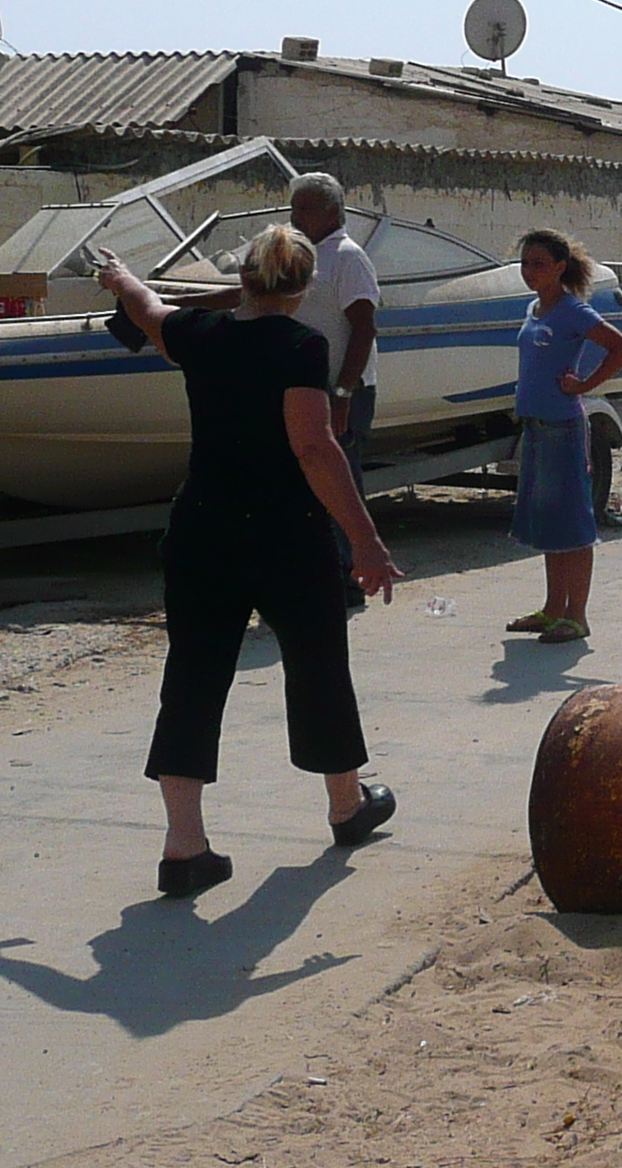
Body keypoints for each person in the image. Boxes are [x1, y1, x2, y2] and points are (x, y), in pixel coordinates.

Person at [96, 227, 404, 900]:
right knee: (317, 661)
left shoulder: (199, 334)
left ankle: (185, 849)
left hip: (202, 527)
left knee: (193, 676)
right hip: (285, 532)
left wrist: (119, 276)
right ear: (302, 286)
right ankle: (347, 805)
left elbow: (145, 305)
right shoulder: (301, 346)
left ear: (246, 279)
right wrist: (368, 542)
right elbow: (315, 449)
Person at [503, 229, 622, 644]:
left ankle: (576, 615)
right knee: (548, 524)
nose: (529, 271)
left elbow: (621, 348)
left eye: (538, 264)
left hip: (563, 428)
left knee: (573, 525)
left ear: (560, 268)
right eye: (525, 264)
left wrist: (584, 385)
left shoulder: (573, 311)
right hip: (537, 428)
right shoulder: (534, 310)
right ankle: (552, 609)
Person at [288, 173, 383, 605]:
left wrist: (344, 393)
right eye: (294, 207)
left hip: (341, 390)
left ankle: (350, 573)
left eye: (304, 208)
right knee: (311, 479)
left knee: (341, 479)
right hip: (307, 389)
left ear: (330, 211)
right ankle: (319, 568)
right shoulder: (304, 256)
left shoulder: (347, 257)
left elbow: (363, 328)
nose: (295, 216)